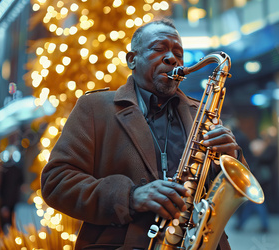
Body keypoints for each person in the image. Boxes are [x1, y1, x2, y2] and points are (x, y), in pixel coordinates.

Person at [41, 19, 247, 250]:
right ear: (132, 60)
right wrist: (131, 197)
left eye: (178, 53)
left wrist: (231, 156)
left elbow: (231, 185)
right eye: (159, 49)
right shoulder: (94, 107)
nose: (172, 58)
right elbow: (56, 182)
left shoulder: (201, 112)